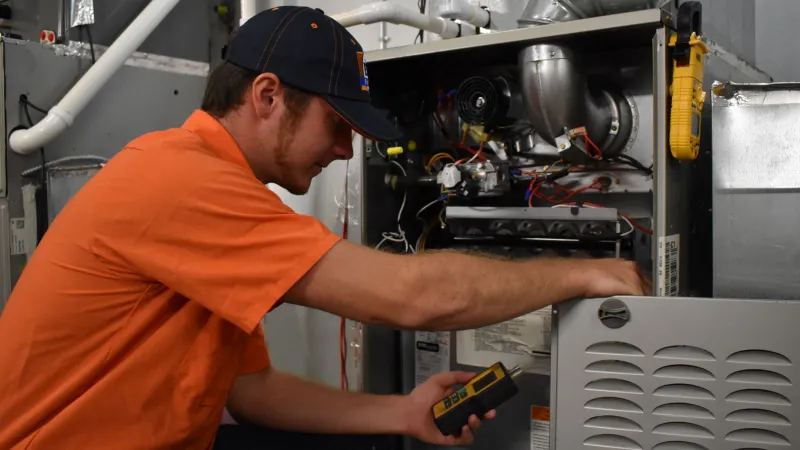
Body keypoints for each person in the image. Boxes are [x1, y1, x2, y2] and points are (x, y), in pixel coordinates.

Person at [0, 6, 648, 450]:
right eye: (336, 125)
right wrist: (584, 271)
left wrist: (402, 412)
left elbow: (250, 391)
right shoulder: (181, 182)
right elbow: (415, 297)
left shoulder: (214, 192)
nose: (345, 151)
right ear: (267, 97)